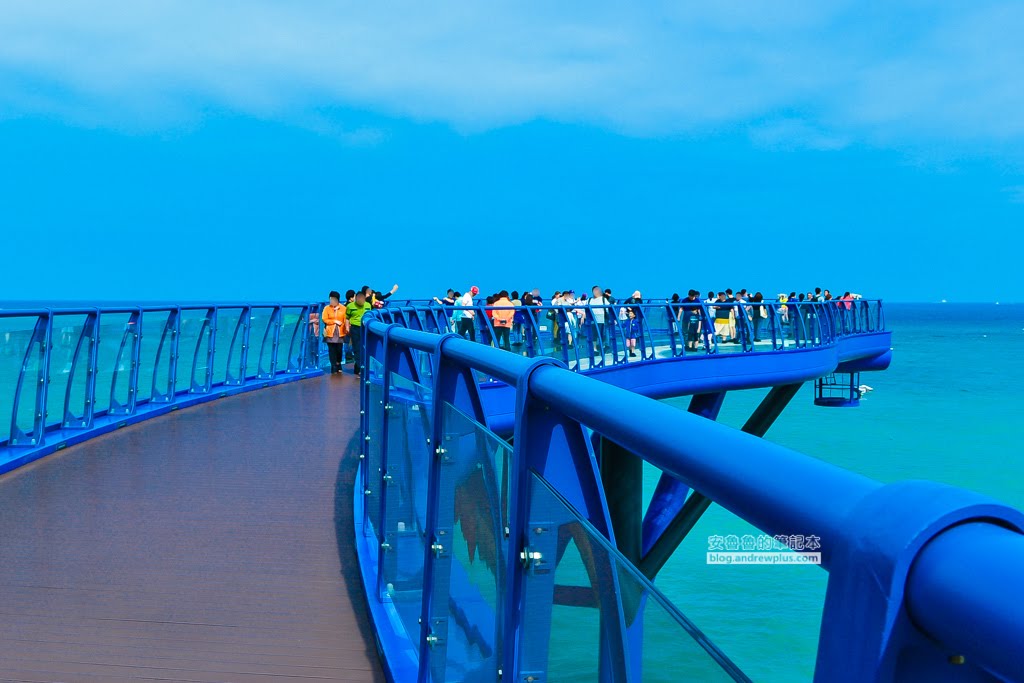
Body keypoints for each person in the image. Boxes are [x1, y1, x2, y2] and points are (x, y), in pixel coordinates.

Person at [346, 290, 373, 375]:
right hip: (355, 328)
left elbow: (371, 315)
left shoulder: (368, 305)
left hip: (365, 328)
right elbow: (347, 317)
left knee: (365, 348)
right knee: (357, 348)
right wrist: (347, 327)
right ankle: (359, 367)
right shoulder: (350, 306)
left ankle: (360, 366)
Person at [322, 291, 348, 374]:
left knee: (339, 349)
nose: (331, 301)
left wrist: (347, 328)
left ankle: (338, 363)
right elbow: (324, 319)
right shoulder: (326, 308)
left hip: (340, 332)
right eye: (330, 299)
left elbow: (345, 319)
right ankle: (333, 365)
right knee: (331, 349)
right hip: (330, 331)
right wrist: (334, 321)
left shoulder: (343, 308)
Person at [588, 285, 610, 353]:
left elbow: (608, 309)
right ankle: (594, 349)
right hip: (593, 320)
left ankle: (602, 346)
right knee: (594, 335)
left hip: (601, 319)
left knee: (601, 334)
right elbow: (585, 308)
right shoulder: (589, 300)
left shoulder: (603, 299)